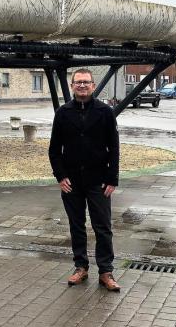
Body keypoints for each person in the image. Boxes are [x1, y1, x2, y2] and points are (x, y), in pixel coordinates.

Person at [48, 68, 121, 291]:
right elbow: (54, 150)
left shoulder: (105, 112)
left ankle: (106, 271)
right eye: (78, 82)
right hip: (72, 182)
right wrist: (60, 176)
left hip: (98, 180)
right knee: (76, 225)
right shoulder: (63, 113)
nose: (82, 86)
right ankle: (81, 267)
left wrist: (112, 179)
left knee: (103, 227)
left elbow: (114, 148)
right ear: (72, 86)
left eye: (86, 82)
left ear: (93, 85)